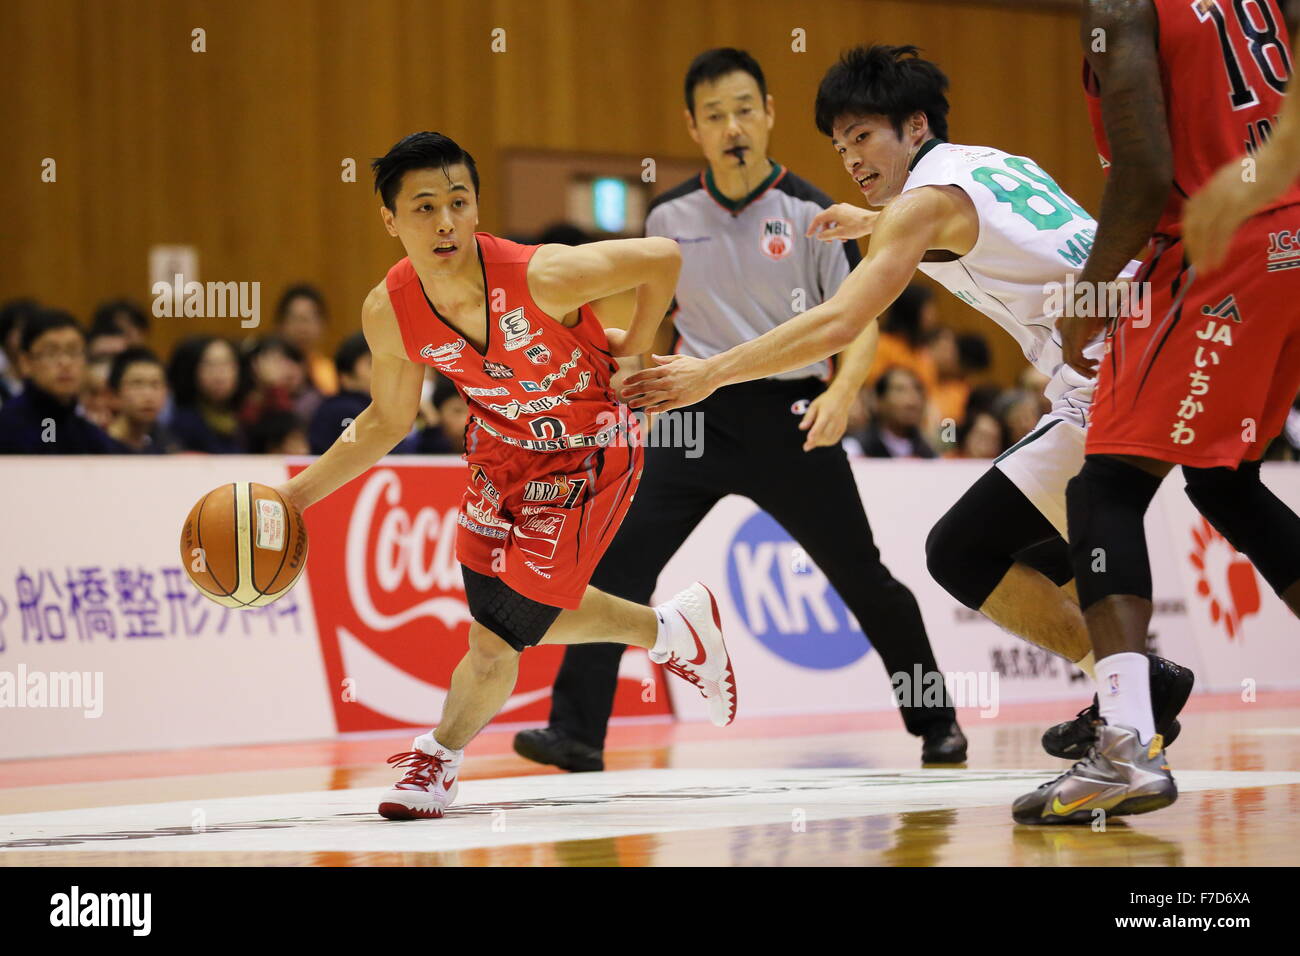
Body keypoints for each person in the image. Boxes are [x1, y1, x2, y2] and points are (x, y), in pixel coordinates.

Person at [622, 44, 1193, 768]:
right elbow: (980, 226)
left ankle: (1129, 708)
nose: (851, 158)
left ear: (915, 125)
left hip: (1113, 378)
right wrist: (873, 222)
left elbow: (838, 322)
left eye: (862, 137)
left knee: (964, 551)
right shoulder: (994, 162)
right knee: (1060, 537)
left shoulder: (920, 208)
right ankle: (1136, 689)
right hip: (1167, 342)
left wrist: (711, 373)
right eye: (839, 145)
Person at [513, 47, 965, 775]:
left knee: (862, 576)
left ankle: (937, 723)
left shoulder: (814, 211)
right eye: (716, 115)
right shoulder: (669, 214)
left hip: (793, 415)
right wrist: (620, 374)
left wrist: (842, 395)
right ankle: (575, 734)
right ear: (693, 127)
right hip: (697, 415)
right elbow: (657, 321)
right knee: (615, 565)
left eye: (745, 110)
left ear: (770, 114)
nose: (733, 127)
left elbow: (861, 318)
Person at [275, 131, 737, 820]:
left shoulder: (540, 275)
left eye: (458, 202)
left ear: (476, 207)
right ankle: (672, 631)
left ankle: (437, 759)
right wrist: (293, 497)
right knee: (506, 619)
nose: (444, 222)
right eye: (424, 206)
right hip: (499, 453)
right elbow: (385, 421)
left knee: (499, 637)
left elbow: (662, 259)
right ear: (390, 219)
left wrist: (636, 354)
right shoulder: (390, 310)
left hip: (589, 450)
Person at [1017, 0, 1300, 824]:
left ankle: (1125, 747)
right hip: (1290, 238)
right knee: (1226, 481)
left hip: (1224, 245)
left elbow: (1141, 175)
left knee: (1104, 486)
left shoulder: (1117, 6)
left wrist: (1092, 297)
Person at [0, 309, 122, 454]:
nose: (65, 362)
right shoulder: (8, 427)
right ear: (25, 362)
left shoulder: (89, 434)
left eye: (73, 352)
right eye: (51, 353)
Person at [166, 335, 249, 453]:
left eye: (227, 364)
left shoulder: (246, 416)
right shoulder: (183, 423)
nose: (220, 374)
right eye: (209, 365)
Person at [309, 332, 372, 454]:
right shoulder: (343, 410)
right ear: (346, 376)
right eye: (371, 363)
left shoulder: (371, 407)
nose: (382, 372)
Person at [106, 347, 178, 453]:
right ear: (115, 393)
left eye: (155, 384)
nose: (148, 395)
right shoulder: (99, 445)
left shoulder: (169, 445)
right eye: (137, 384)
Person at [859, 366, 937, 458]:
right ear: (878, 401)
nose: (912, 401)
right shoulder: (857, 448)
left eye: (917, 390)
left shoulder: (929, 451)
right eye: (900, 390)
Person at [275, 284, 337, 397]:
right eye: (295, 319)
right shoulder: (269, 371)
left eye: (308, 319)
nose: (302, 329)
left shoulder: (330, 373)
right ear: (281, 325)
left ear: (322, 325)